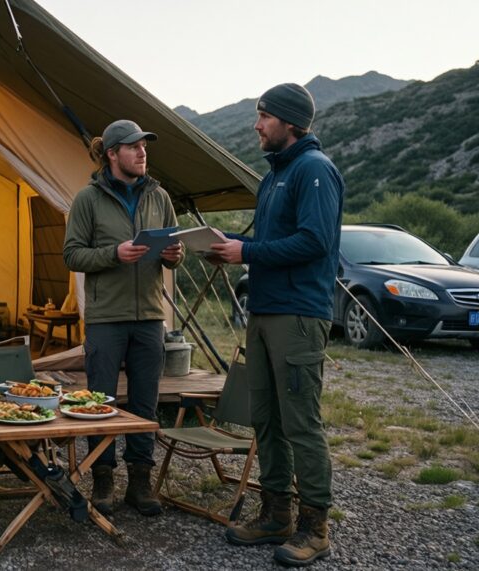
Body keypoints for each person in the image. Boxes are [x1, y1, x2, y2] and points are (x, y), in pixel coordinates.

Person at [209, 83, 344, 566]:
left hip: (298, 314)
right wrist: (220, 243)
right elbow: (266, 242)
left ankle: (315, 528)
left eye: (263, 116)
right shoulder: (274, 177)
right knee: (265, 416)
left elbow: (315, 241)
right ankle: (276, 515)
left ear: (288, 122)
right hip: (264, 311)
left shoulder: (314, 171)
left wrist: (246, 252)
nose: (256, 125)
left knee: (300, 422)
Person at [63, 119, 183, 517]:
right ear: (112, 154)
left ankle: (140, 483)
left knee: (146, 403)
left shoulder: (160, 196)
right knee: (101, 402)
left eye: (144, 146)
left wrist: (174, 255)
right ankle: (102, 481)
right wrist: (113, 254)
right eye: (133, 147)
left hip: (150, 314)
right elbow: (73, 254)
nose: (142, 152)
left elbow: (174, 244)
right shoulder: (88, 199)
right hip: (106, 318)